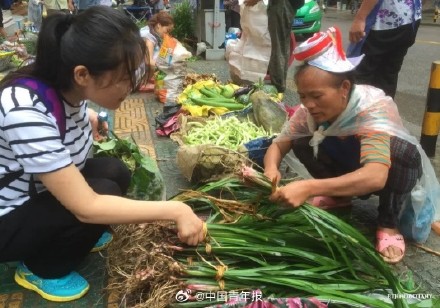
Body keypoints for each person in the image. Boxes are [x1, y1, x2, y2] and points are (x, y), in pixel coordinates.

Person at [0, 6, 204, 302]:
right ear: (82, 74)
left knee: (114, 171)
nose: (131, 85)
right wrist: (176, 210)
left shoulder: (64, 80)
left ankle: (67, 237)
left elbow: (69, 112)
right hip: (8, 218)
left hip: (35, 194)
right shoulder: (24, 109)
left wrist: (92, 118)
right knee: (99, 197)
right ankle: (39, 268)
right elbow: (88, 206)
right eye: (123, 76)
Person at [264, 26, 440, 265]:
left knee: (403, 154)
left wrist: (309, 187)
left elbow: (376, 176)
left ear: (344, 88)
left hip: (382, 173)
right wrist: (271, 171)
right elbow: (278, 145)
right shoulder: (307, 113)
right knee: (300, 140)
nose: (309, 104)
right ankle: (338, 197)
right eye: (303, 96)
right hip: (350, 163)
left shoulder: (371, 108)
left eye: (316, 96)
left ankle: (388, 224)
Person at [348, 0, 421, 99]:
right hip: (410, 18)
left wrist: (360, 18)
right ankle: (383, 111)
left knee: (361, 76)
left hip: (384, 22)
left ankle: (361, 112)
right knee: (388, 75)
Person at [244, 0, 304, 95]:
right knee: (281, 43)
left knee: (277, 44)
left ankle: (277, 86)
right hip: (285, 5)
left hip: (282, 5)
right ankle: (280, 83)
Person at [139, 10, 174, 91]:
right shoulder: (149, 37)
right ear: (159, 25)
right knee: (158, 59)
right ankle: (143, 83)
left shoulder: (151, 31)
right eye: (167, 30)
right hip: (133, 69)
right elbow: (149, 61)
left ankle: (146, 78)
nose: (167, 34)